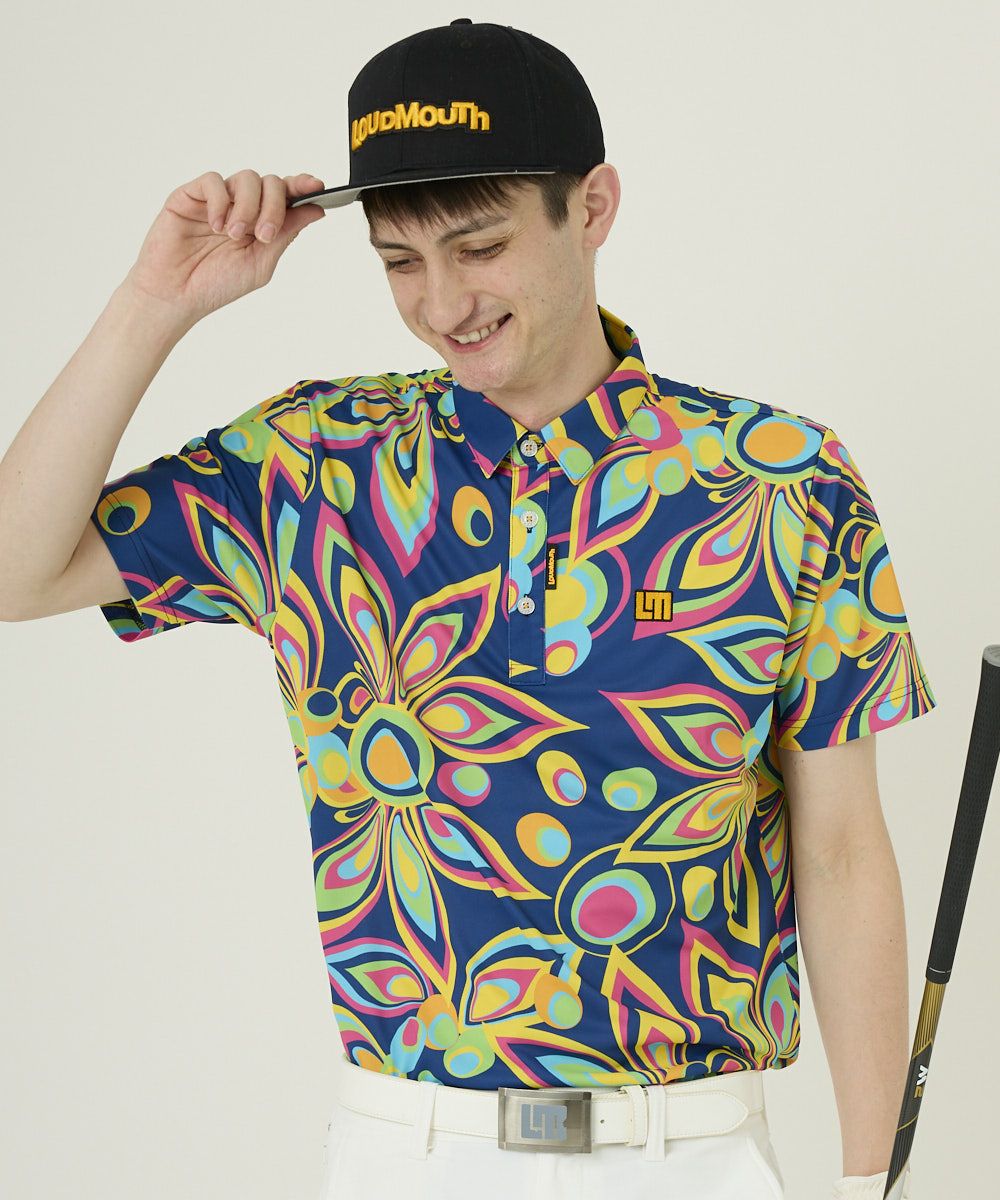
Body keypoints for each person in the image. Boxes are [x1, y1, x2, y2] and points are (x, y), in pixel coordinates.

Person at [0, 17, 936, 1200]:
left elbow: (842, 852)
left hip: (691, 1157)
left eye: (479, 247)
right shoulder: (315, 464)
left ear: (591, 207)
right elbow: (18, 570)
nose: (443, 303)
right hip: (410, 1155)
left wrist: (871, 1182)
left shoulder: (779, 479)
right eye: (400, 261)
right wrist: (155, 302)